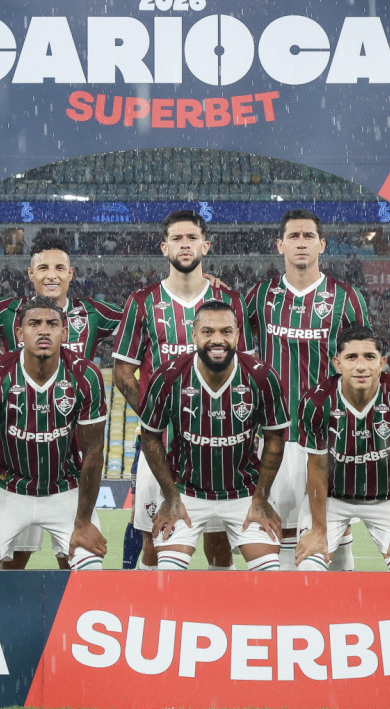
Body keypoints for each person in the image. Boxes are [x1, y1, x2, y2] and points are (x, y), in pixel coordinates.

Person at [113, 210, 250, 571]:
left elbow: (246, 370)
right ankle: (153, 605)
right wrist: (155, 417)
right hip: (160, 444)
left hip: (217, 443)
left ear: (206, 245)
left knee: (218, 541)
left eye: (192, 238)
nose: (185, 245)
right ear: (164, 248)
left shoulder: (229, 301)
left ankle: (220, 604)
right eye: (176, 238)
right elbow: (123, 373)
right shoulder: (142, 301)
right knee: (153, 538)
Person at [0, 235, 123, 570]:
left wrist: (199, 284)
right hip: (16, 459)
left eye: (59, 267)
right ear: (30, 273)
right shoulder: (6, 312)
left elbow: (144, 314)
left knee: (71, 556)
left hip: (67, 464)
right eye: (43, 267)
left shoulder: (92, 313)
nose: (51, 274)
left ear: (71, 273)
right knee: (14, 560)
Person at [245, 208, 368, 571]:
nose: (301, 243)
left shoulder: (346, 298)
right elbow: (242, 354)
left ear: (322, 245)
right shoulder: (261, 295)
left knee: (334, 534)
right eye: (294, 236)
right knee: (282, 533)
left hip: (330, 437)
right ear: (280, 245)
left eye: (308, 236)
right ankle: (290, 604)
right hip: (277, 438)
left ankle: (342, 604)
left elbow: (365, 366)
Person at [140, 300, 287, 572]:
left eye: (226, 331)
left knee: (269, 575)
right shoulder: (169, 377)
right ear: (194, 335)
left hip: (244, 493)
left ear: (238, 335)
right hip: (186, 492)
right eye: (208, 332)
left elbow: (275, 438)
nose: (217, 340)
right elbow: (150, 437)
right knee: (168, 575)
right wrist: (170, 497)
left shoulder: (262, 376)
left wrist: (261, 497)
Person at [0, 297, 107, 571]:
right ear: (19, 333)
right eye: (34, 324)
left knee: (90, 571)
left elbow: (93, 452)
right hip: (8, 489)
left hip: (64, 489)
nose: (43, 330)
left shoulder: (86, 376)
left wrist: (84, 522)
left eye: (52, 324)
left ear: (65, 333)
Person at [295, 326, 390, 573]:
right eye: (352, 357)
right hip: (332, 499)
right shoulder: (316, 402)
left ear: (382, 363)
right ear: (338, 363)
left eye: (369, 357)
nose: (361, 366)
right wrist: (318, 530)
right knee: (309, 567)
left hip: (386, 498)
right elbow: (317, 468)